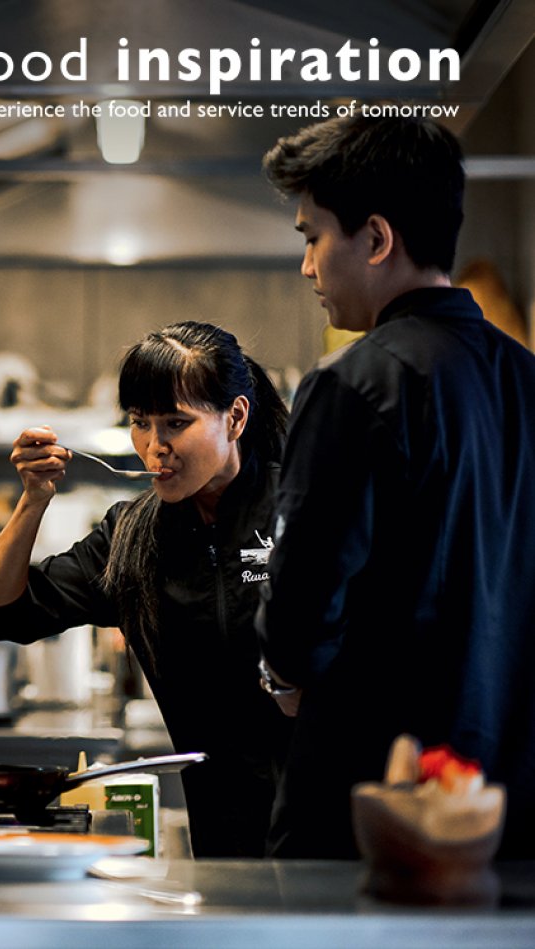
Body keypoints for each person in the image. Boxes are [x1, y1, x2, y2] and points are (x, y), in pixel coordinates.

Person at [256, 114, 535, 859]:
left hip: (373, 808)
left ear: (376, 239)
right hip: (504, 806)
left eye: (312, 236)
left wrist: (282, 672)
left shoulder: (353, 384)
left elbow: (301, 606)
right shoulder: (525, 378)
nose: (308, 267)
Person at [0, 320, 291, 858]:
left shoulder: (302, 507)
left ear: (235, 417)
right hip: (224, 839)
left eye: (175, 423)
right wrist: (33, 499)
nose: (154, 447)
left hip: (332, 823)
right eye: (140, 423)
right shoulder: (133, 537)